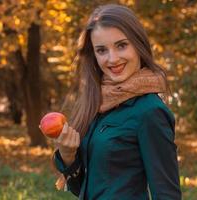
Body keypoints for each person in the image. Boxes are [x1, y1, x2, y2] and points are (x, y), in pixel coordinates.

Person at [52, 4, 182, 200]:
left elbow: (167, 194)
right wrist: (68, 155)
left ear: (138, 45)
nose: (112, 59)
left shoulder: (150, 111)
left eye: (121, 45)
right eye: (102, 50)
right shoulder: (100, 103)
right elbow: (86, 190)